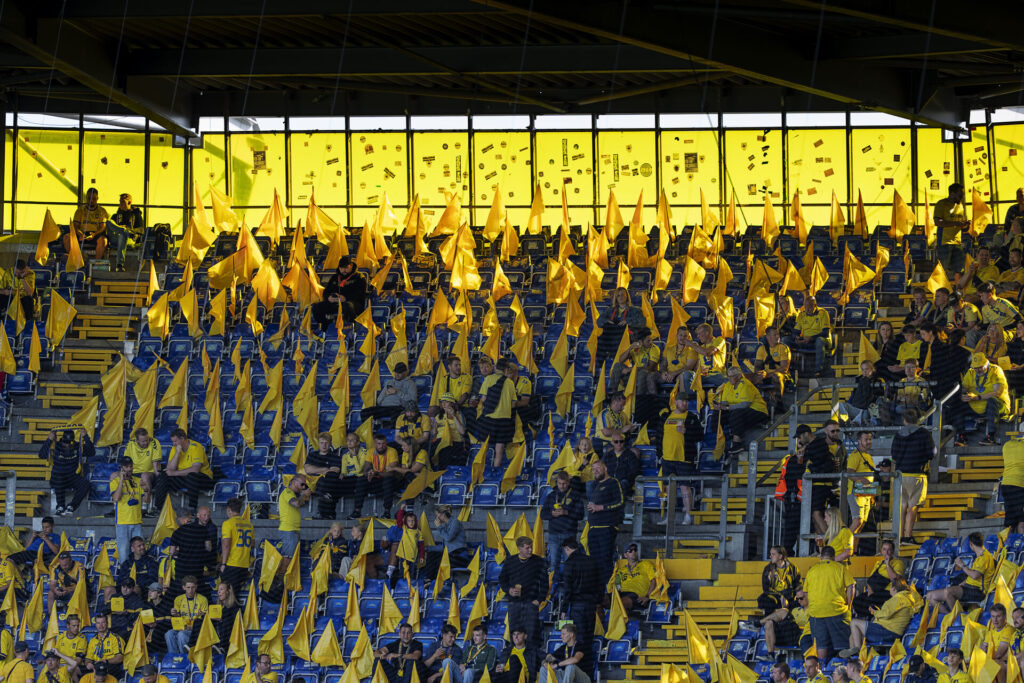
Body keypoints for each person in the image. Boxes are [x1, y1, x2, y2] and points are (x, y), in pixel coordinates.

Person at [842, 576, 920, 655]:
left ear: (893, 588)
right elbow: (888, 613)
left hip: (888, 632)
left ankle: (858, 651)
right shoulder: (904, 598)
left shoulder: (899, 598)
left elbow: (886, 614)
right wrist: (878, 611)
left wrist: (875, 612)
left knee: (854, 623)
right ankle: (853, 657)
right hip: (887, 630)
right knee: (854, 633)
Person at [804, 545, 855, 663]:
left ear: (821, 557)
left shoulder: (812, 570)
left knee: (821, 645)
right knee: (843, 645)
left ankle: (822, 668)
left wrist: (813, 605)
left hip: (816, 613)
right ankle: (844, 668)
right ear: (833, 556)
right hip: (837, 611)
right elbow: (851, 587)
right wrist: (849, 605)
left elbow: (806, 592)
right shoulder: (841, 568)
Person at [891, 408, 933, 544]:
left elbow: (894, 456)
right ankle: (907, 536)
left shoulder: (898, 435)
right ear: (917, 420)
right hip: (917, 475)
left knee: (902, 507)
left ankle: (898, 537)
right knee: (912, 507)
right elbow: (932, 452)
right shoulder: (924, 433)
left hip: (900, 476)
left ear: (904, 420)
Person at [951, 352, 1010, 447]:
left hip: (998, 405)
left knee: (992, 400)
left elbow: (997, 393)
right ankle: (961, 437)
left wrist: (977, 397)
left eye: (980, 367)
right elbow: (964, 389)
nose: (977, 370)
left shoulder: (995, 370)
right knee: (958, 403)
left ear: (986, 363)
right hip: (977, 406)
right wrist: (963, 395)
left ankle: (991, 437)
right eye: (975, 367)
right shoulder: (971, 372)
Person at [926, 532, 994, 613]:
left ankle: (959, 618)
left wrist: (962, 565)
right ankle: (950, 618)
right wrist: (964, 582)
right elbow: (973, 575)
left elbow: (975, 575)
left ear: (971, 544)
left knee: (949, 592)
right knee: (930, 596)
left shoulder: (985, 557)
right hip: (968, 587)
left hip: (978, 591)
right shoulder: (979, 558)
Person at [498, 537, 547, 649]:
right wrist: (509, 590)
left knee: (531, 635)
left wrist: (539, 600)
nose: (530, 550)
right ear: (519, 548)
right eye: (527, 548)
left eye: (531, 547)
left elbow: (545, 583)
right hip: (514, 604)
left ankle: (530, 660)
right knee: (515, 634)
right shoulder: (510, 561)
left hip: (531, 604)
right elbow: (502, 579)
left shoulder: (539, 561)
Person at [661, 394, 701, 525]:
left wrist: (687, 432)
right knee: (669, 489)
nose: (685, 403)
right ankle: (669, 517)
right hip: (667, 457)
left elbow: (700, 436)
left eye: (686, 401)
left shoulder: (692, 417)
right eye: (682, 401)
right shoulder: (666, 416)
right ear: (676, 402)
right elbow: (659, 435)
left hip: (684, 457)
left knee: (685, 487)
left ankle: (688, 516)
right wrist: (659, 453)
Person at [151, 429, 213, 512]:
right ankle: (159, 508)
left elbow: (195, 469)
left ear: (183, 438)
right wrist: (177, 453)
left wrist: (174, 473)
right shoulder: (175, 448)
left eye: (175, 441)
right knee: (163, 475)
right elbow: (170, 469)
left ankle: (192, 508)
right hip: (182, 477)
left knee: (192, 476)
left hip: (203, 478)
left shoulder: (196, 447)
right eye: (173, 442)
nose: (174, 444)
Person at [586, 460, 625, 591]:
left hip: (606, 528)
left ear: (605, 468)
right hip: (593, 529)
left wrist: (600, 507)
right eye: (593, 469)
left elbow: (620, 502)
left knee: (605, 561)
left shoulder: (613, 482)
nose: (595, 471)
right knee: (594, 562)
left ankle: (608, 592)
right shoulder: (594, 485)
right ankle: (597, 590)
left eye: (598, 468)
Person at [714, 366, 769, 456]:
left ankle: (737, 444)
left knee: (736, 413)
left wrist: (728, 408)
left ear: (739, 376)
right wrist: (719, 406)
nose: (730, 378)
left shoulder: (746, 385)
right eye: (728, 376)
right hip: (740, 411)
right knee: (718, 414)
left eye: (732, 376)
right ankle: (717, 441)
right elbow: (724, 402)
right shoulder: (727, 385)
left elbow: (745, 404)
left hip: (758, 411)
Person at [777, 424, 813, 555]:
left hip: (808, 501)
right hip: (793, 501)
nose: (799, 442)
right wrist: (799, 460)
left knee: (809, 530)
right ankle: (787, 555)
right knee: (790, 532)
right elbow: (792, 477)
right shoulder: (791, 460)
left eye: (800, 438)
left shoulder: (811, 457)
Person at [805, 421, 846, 534]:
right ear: (825, 431)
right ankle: (826, 544)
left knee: (833, 516)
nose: (835, 433)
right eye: (832, 431)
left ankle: (829, 543)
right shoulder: (818, 445)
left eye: (837, 431)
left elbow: (844, 465)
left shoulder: (841, 447)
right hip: (820, 484)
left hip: (835, 484)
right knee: (816, 514)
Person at [39, 429, 92, 516]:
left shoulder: (77, 446)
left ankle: (71, 506)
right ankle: (60, 506)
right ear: (62, 440)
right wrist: (49, 439)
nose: (67, 445)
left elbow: (91, 452)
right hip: (59, 477)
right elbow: (42, 455)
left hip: (73, 476)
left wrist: (85, 437)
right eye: (65, 442)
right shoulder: (56, 446)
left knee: (85, 483)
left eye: (69, 443)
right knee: (58, 477)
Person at [541, 473, 585, 577]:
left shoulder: (575, 495)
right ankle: (553, 589)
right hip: (553, 535)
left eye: (564, 483)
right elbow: (543, 514)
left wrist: (566, 512)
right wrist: (552, 514)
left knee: (569, 564)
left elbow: (581, 515)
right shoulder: (551, 495)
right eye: (560, 483)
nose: (562, 486)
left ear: (569, 483)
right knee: (553, 565)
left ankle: (568, 589)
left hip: (569, 534)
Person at [477, 358, 518, 468]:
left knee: (483, 449)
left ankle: (482, 471)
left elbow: (483, 399)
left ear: (495, 367)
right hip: (504, 420)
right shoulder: (510, 382)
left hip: (488, 419)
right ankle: (495, 473)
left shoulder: (488, 379)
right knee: (499, 450)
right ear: (506, 369)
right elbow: (514, 404)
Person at [850, 540, 906, 619]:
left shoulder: (898, 563)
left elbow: (894, 579)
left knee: (870, 602)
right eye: (884, 549)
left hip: (888, 593)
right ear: (881, 551)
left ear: (892, 551)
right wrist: (869, 594)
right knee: (857, 601)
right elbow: (870, 581)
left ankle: (872, 619)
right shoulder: (878, 564)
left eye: (889, 549)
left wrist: (887, 564)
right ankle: (865, 618)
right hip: (875, 592)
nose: (886, 552)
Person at [559, 539, 600, 646]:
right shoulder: (591, 560)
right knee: (589, 636)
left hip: (577, 605)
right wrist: (597, 601)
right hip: (591, 604)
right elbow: (599, 583)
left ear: (566, 548)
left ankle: (579, 661)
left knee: (578, 637)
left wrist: (563, 609)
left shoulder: (569, 563)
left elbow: (568, 589)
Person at [312, 256, 368, 331]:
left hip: (353, 303)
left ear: (351, 266)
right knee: (316, 307)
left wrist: (345, 298)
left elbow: (360, 294)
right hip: (336, 302)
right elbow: (326, 291)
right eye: (341, 268)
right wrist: (328, 297)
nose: (343, 270)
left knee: (348, 306)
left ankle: (350, 328)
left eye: (346, 268)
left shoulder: (359, 277)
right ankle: (326, 328)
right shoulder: (335, 277)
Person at [754, 590, 811, 660]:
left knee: (784, 611)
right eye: (797, 598)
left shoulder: (813, 610)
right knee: (769, 623)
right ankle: (770, 655)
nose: (799, 601)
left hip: (801, 635)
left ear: (808, 597)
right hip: (789, 635)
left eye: (801, 598)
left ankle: (757, 624)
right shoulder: (795, 610)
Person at [595, 288, 644, 370]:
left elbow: (642, 322)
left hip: (628, 336)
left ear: (627, 296)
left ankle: (620, 366)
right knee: (600, 340)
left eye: (622, 295)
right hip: (612, 337)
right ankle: (600, 368)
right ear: (615, 298)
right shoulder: (610, 310)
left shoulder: (635, 310)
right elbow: (599, 321)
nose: (620, 297)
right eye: (618, 295)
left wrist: (628, 321)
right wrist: (607, 321)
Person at [109, 457, 145, 563]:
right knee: (123, 552)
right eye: (126, 467)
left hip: (137, 522)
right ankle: (124, 575)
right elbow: (116, 498)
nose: (129, 469)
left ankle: (139, 572)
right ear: (121, 468)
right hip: (123, 522)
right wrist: (121, 480)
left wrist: (147, 489)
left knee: (140, 551)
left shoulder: (138, 481)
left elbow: (146, 500)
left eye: (130, 466)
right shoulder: (115, 482)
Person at [306, 432, 347, 520]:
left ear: (330, 443)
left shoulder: (335, 457)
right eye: (321, 443)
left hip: (328, 482)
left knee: (328, 480)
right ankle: (329, 514)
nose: (324, 445)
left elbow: (335, 470)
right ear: (318, 443)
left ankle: (321, 512)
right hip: (313, 481)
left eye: (326, 443)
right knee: (327, 487)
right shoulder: (312, 455)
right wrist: (325, 469)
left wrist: (317, 469)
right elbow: (308, 470)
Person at [844, 431, 875, 546]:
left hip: (866, 493)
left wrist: (871, 495)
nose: (868, 442)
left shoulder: (868, 456)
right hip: (856, 492)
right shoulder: (855, 455)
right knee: (857, 521)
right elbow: (850, 473)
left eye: (870, 439)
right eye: (866, 439)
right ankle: (842, 545)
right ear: (859, 441)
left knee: (861, 524)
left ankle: (853, 551)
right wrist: (862, 480)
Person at [790, 295, 833, 377]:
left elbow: (825, 333)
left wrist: (811, 338)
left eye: (809, 306)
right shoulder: (801, 315)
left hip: (822, 340)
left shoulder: (823, 313)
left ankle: (818, 370)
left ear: (815, 305)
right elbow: (796, 331)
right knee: (786, 340)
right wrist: (796, 337)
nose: (807, 309)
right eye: (805, 306)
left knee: (819, 341)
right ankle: (791, 369)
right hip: (806, 340)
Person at [423, 505, 469, 580]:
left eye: (437, 515)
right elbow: (444, 547)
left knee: (440, 560)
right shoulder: (446, 526)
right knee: (432, 554)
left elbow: (448, 538)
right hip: (451, 555)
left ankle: (437, 582)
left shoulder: (455, 523)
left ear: (443, 514)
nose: (437, 518)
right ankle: (430, 580)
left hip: (460, 557)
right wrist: (427, 548)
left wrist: (439, 527)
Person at [219, 497, 254, 596]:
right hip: (244, 565)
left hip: (232, 564)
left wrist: (223, 564)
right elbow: (252, 543)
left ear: (229, 510)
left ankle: (232, 611)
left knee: (228, 595)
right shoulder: (249, 524)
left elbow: (226, 545)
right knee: (236, 593)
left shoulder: (227, 523)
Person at [609, 327, 659, 395]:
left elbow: (650, 368)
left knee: (642, 373)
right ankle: (613, 393)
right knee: (617, 365)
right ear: (640, 341)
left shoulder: (654, 349)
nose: (651, 342)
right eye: (648, 341)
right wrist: (630, 348)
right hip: (634, 374)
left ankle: (638, 397)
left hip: (648, 375)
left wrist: (631, 369)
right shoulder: (636, 348)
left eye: (651, 340)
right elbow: (621, 360)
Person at [751, 326, 791, 409]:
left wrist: (768, 374)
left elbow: (784, 368)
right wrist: (759, 374)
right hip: (766, 375)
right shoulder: (761, 349)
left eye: (778, 335)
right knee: (747, 378)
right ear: (768, 337)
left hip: (781, 375)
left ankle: (779, 403)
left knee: (776, 376)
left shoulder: (783, 348)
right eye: (775, 335)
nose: (778, 337)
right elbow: (757, 365)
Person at [165, 575, 207, 653]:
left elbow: (205, 621)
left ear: (196, 587)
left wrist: (203, 615)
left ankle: (184, 658)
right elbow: (178, 617)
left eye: (193, 587)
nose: (190, 590)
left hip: (194, 630)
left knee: (181, 635)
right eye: (188, 587)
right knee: (169, 634)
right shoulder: (178, 599)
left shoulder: (203, 599)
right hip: (182, 627)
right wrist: (174, 614)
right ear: (183, 587)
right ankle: (173, 657)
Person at [680, 323, 728, 391]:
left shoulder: (719, 340)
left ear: (707, 333)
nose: (698, 336)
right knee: (687, 374)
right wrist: (698, 370)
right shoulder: (701, 348)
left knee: (728, 381)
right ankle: (692, 398)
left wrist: (691, 344)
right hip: (702, 376)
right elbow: (697, 366)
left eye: (699, 334)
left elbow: (707, 352)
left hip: (716, 374)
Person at [608, 543, 655, 612]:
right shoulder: (621, 570)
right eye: (630, 551)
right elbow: (617, 585)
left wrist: (648, 597)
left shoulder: (646, 564)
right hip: (622, 593)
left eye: (635, 550)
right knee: (601, 600)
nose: (633, 552)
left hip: (636, 595)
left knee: (620, 603)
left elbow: (654, 580)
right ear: (625, 555)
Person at [123, 429, 161, 513]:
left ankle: (144, 507)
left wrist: (159, 478)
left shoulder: (154, 442)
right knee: (114, 476)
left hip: (149, 473)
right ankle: (116, 507)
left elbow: (156, 464)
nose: (146, 443)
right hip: (132, 472)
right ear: (137, 440)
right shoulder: (130, 443)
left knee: (144, 475)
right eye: (143, 441)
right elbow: (126, 462)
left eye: (147, 440)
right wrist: (123, 474)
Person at [758, 546, 801, 617]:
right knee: (765, 600)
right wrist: (780, 596)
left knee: (800, 600)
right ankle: (768, 622)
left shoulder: (793, 568)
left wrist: (793, 596)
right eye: (770, 554)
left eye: (773, 554)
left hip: (789, 596)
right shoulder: (768, 569)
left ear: (780, 556)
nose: (770, 556)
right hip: (775, 596)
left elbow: (798, 585)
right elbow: (766, 588)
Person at [934, 183, 968, 273]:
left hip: (957, 242)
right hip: (944, 242)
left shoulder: (960, 206)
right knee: (943, 269)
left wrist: (966, 224)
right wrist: (956, 223)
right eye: (960, 194)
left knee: (960, 269)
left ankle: (958, 286)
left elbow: (961, 223)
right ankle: (942, 286)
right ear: (952, 193)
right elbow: (937, 222)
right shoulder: (942, 204)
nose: (962, 196)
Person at [113, 536, 158, 601]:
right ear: (132, 548)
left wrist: (138, 585)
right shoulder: (127, 563)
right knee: (108, 590)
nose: (142, 547)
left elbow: (153, 578)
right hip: (126, 587)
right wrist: (125, 586)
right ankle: (108, 610)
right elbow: (120, 579)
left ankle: (134, 610)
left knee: (135, 589)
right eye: (139, 546)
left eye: (143, 545)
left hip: (143, 589)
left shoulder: (150, 561)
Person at [107, 193, 144, 272]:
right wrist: (121, 228)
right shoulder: (116, 215)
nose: (120, 204)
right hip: (114, 238)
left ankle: (119, 265)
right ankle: (123, 231)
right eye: (120, 201)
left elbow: (141, 229)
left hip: (129, 238)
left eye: (123, 202)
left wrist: (128, 230)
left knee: (123, 235)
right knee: (108, 221)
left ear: (129, 202)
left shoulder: (136, 215)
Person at [593, 393, 637, 457]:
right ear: (614, 402)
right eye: (621, 405)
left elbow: (629, 427)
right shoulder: (604, 414)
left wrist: (631, 428)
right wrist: (622, 430)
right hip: (606, 442)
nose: (623, 407)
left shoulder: (623, 414)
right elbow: (606, 432)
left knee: (635, 452)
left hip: (621, 442)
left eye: (624, 405)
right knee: (615, 452)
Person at [338, 431, 370, 519]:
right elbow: (344, 471)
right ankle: (328, 512)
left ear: (358, 442)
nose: (349, 442)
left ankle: (357, 512)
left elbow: (360, 470)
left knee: (360, 480)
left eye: (352, 440)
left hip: (362, 479)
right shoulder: (345, 456)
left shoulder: (364, 452)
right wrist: (342, 474)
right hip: (350, 479)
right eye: (348, 440)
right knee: (335, 481)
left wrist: (355, 455)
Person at [367, 433, 400, 518]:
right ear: (375, 444)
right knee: (361, 479)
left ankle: (387, 511)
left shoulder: (392, 451)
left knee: (388, 480)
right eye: (379, 444)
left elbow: (391, 472)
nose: (381, 446)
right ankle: (356, 511)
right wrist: (369, 472)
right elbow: (366, 467)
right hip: (376, 479)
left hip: (391, 481)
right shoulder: (370, 451)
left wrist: (376, 473)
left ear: (386, 443)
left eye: (383, 444)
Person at [432, 394, 468, 468]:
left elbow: (462, 432)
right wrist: (434, 427)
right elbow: (434, 433)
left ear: (451, 403)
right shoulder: (439, 416)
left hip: (455, 442)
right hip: (440, 441)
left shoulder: (459, 414)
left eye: (446, 402)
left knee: (445, 451)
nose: (443, 404)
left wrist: (454, 416)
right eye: (442, 402)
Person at [278, 474, 309, 562]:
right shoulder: (287, 492)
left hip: (293, 530)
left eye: (305, 485)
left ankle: (285, 575)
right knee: (288, 558)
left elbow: (300, 503)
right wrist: (304, 494)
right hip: (288, 530)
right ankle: (282, 575)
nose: (303, 487)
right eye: (302, 484)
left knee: (291, 558)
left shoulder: (292, 494)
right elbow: (296, 504)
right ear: (294, 482)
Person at [72, 188, 109, 259]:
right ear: (86, 198)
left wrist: (94, 234)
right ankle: (76, 262)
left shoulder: (102, 211)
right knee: (67, 238)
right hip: (82, 233)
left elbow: (103, 227)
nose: (91, 201)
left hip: (96, 234)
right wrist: (81, 234)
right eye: (89, 198)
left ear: (97, 198)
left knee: (104, 240)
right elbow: (75, 226)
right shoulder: (80, 210)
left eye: (94, 199)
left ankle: (96, 263)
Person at [85, 614, 124, 678]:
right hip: (95, 665)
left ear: (107, 624)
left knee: (103, 671)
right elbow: (88, 658)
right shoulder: (93, 640)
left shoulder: (115, 638)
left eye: (103, 622)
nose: (100, 625)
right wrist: (88, 663)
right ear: (95, 625)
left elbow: (120, 658)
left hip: (109, 665)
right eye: (98, 623)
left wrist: (106, 661)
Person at [980, 603, 1014, 672]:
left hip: (1003, 662)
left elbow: (999, 654)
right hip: (991, 659)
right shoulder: (992, 630)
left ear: (1004, 617)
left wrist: (985, 659)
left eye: (998, 616)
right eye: (993, 616)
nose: (995, 620)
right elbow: (983, 647)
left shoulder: (1008, 630)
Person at [54, 613, 88, 681]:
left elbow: (78, 661)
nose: (76, 628)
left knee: (71, 668)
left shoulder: (81, 639)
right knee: (43, 667)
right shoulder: (61, 637)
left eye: (78, 626)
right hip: (60, 664)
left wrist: (64, 664)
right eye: (74, 626)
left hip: (74, 665)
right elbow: (55, 655)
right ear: (68, 626)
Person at [143, 583, 172, 657]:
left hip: (161, 631)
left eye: (152, 591)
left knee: (156, 633)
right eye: (149, 590)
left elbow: (169, 623)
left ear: (159, 593)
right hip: (148, 630)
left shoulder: (167, 605)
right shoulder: (146, 605)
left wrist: (156, 624)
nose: (149, 593)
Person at [1003, 437, 1024, 534]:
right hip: (1020, 484)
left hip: (1006, 484)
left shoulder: (1007, 445)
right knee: (1022, 520)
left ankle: (1006, 545)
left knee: (1010, 521)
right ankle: (1021, 545)